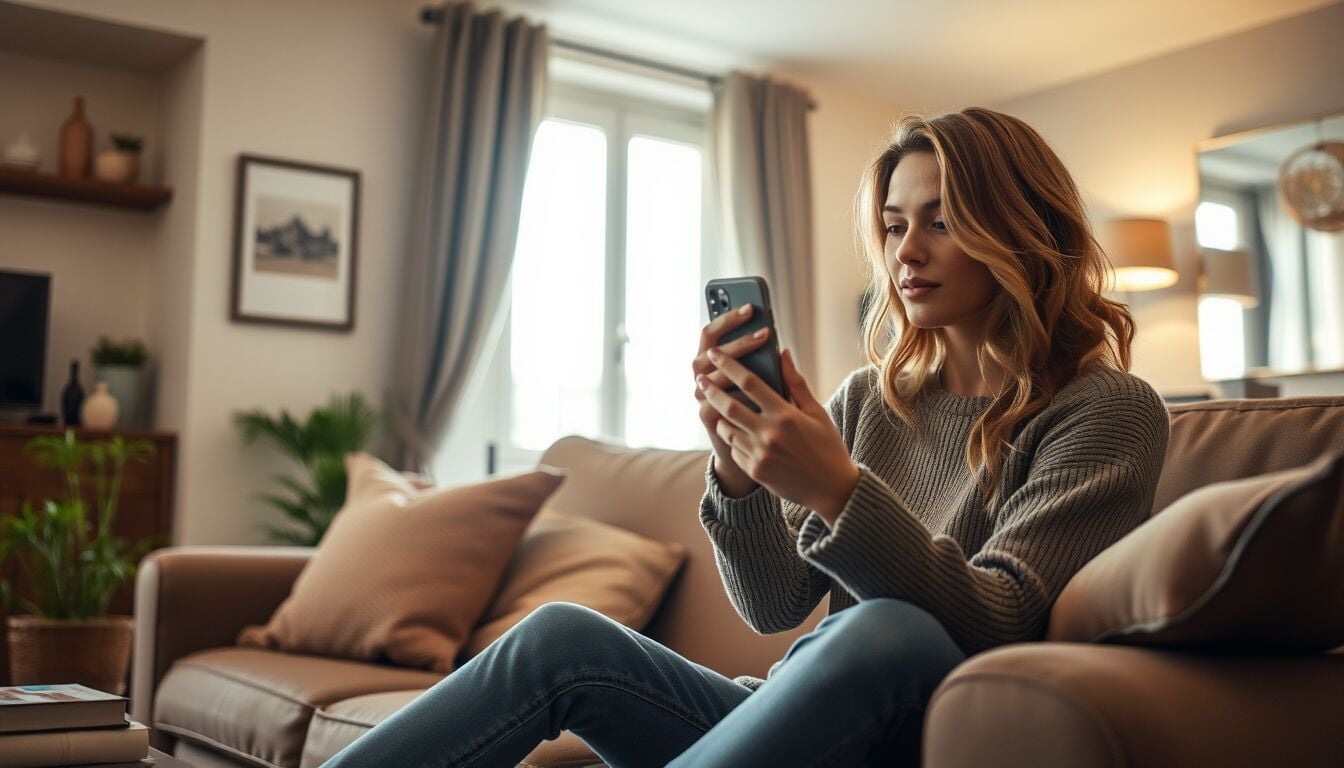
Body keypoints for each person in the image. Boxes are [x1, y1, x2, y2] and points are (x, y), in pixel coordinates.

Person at [322, 107, 1170, 768]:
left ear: (1022, 230)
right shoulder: (871, 401)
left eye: (941, 222)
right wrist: (735, 471)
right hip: (781, 714)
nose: (906, 251)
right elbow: (773, 605)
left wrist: (838, 490)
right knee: (559, 637)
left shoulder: (1107, 412)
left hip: (913, 736)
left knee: (889, 631)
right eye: (893, 223)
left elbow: (1003, 622)